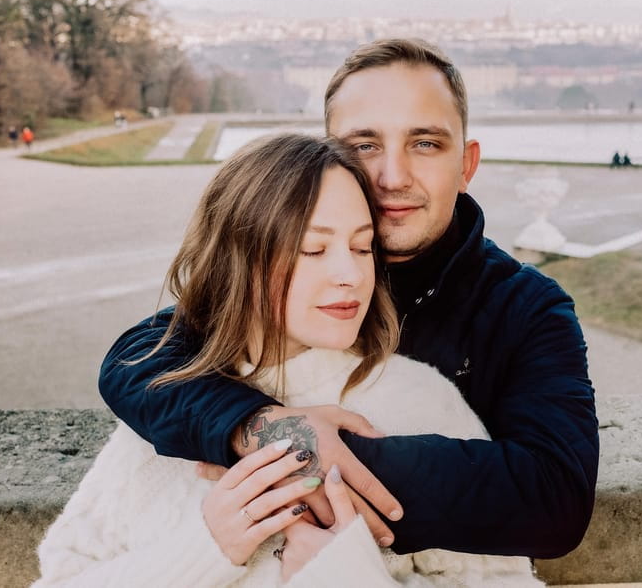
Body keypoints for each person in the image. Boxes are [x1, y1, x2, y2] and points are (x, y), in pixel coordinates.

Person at [99, 38, 598, 558]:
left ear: (467, 164)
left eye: (425, 143)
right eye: (364, 146)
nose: (392, 177)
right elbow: (137, 359)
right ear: (328, 158)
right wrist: (255, 425)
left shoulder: (526, 307)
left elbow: (554, 497)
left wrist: (307, 461)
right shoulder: (286, 276)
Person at [35, 134, 541, 586]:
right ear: (238, 261)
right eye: (313, 250)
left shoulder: (418, 402)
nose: (350, 274)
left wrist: (346, 577)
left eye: (363, 248)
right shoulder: (165, 410)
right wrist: (208, 549)